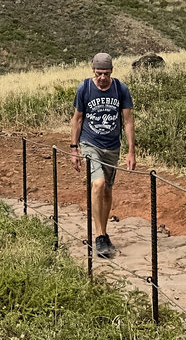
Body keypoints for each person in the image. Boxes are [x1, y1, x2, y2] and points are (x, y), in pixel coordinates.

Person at [68, 53, 136, 260]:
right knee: (97, 184)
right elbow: (77, 120)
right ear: (93, 71)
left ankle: (103, 232)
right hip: (90, 144)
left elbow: (128, 121)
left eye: (106, 74)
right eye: (99, 74)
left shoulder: (121, 89)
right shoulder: (85, 88)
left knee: (107, 189)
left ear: (112, 72)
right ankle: (99, 236)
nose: (102, 78)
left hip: (112, 146)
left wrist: (131, 151)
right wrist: (74, 148)